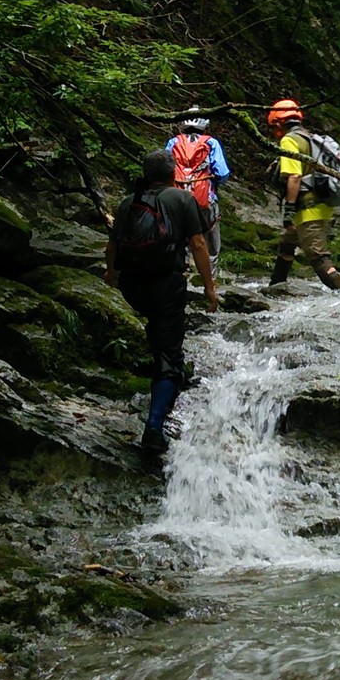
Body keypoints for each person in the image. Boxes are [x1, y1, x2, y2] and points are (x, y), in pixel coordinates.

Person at [106, 149, 221, 454]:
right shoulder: (182, 199)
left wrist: (111, 275)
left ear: (146, 174)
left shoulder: (128, 202)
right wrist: (209, 288)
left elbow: (113, 246)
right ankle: (154, 427)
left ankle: (160, 370)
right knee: (170, 357)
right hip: (166, 284)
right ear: (173, 174)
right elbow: (198, 243)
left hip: (132, 285)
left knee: (157, 335)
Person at [267, 98, 340, 291]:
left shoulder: (289, 140)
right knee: (287, 244)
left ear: (278, 123)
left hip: (307, 209)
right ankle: (275, 288)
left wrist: (289, 208)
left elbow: (294, 176)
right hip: (322, 204)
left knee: (317, 255)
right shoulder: (309, 138)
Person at [166, 117, 228, 260]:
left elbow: (165, 168)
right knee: (210, 241)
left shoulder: (173, 142)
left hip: (177, 198)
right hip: (204, 199)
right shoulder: (211, 142)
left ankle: (182, 273)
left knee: (180, 239)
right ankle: (209, 278)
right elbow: (222, 173)